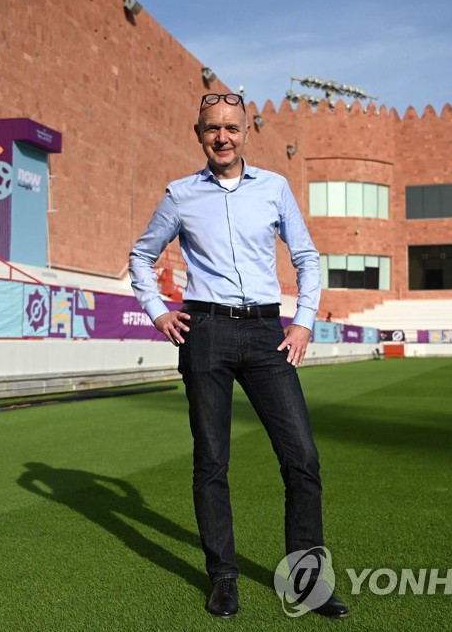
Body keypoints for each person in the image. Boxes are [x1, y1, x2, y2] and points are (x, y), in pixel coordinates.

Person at [128, 93, 349, 619]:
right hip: (204, 331)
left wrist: (303, 320)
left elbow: (306, 257)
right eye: (211, 129)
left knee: (302, 457)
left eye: (230, 127)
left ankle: (307, 579)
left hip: (267, 333)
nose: (221, 137)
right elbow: (141, 255)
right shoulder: (180, 195)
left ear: (247, 131)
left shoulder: (274, 188)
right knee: (211, 462)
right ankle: (223, 577)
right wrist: (159, 311)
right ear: (198, 133)